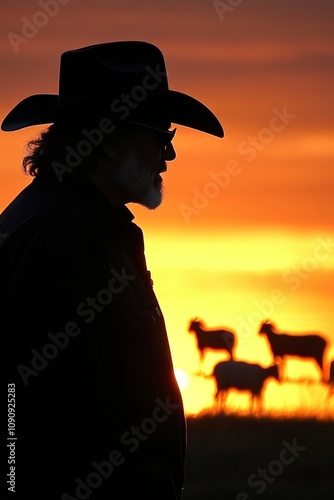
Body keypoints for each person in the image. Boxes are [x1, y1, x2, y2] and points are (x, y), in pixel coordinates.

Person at [0, 41, 223, 499]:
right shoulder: (58, 235)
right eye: (160, 134)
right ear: (105, 138)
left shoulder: (85, 226)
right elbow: (54, 422)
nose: (170, 155)